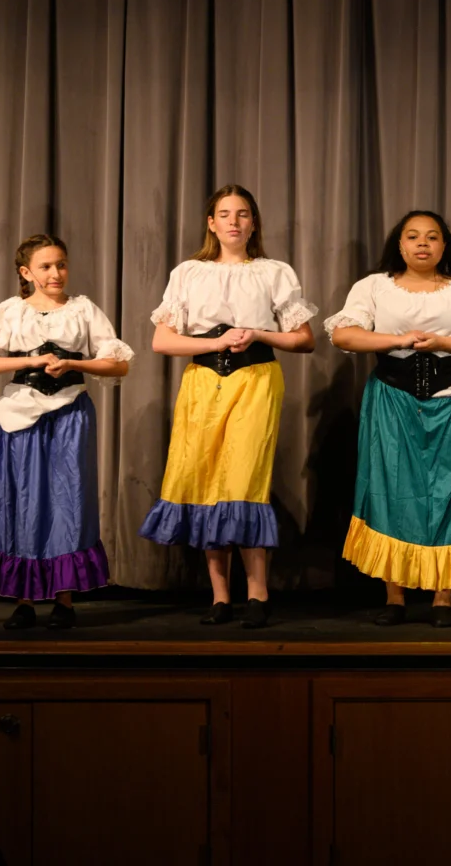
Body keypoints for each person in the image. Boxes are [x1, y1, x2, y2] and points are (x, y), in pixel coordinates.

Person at [139, 184, 317, 629]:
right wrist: (215, 341)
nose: (234, 221)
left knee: (244, 481)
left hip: (255, 379)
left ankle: (258, 594)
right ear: (211, 222)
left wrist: (257, 334)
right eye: (225, 213)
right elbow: (162, 340)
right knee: (203, 480)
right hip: (203, 381)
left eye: (242, 214)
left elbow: (303, 338)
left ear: (253, 222)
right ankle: (220, 596)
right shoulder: (189, 273)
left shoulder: (273, 271)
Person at [327, 210, 451, 628]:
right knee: (390, 489)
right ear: (400, 244)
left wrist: (444, 341)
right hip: (392, 398)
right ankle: (395, 595)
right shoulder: (374, 286)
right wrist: (398, 339)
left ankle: (443, 596)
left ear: (444, 245)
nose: (423, 244)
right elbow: (343, 335)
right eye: (413, 237)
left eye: (432, 237)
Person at [0, 235, 133, 629]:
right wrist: (30, 359)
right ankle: (24, 599)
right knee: (24, 498)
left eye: (61, 265)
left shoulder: (82, 309)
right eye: (46, 267)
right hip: (21, 416)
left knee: (68, 501)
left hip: (70, 413)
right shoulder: (11, 312)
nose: (56, 273)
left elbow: (118, 364)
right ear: (26, 272)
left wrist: (74, 365)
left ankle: (64, 599)